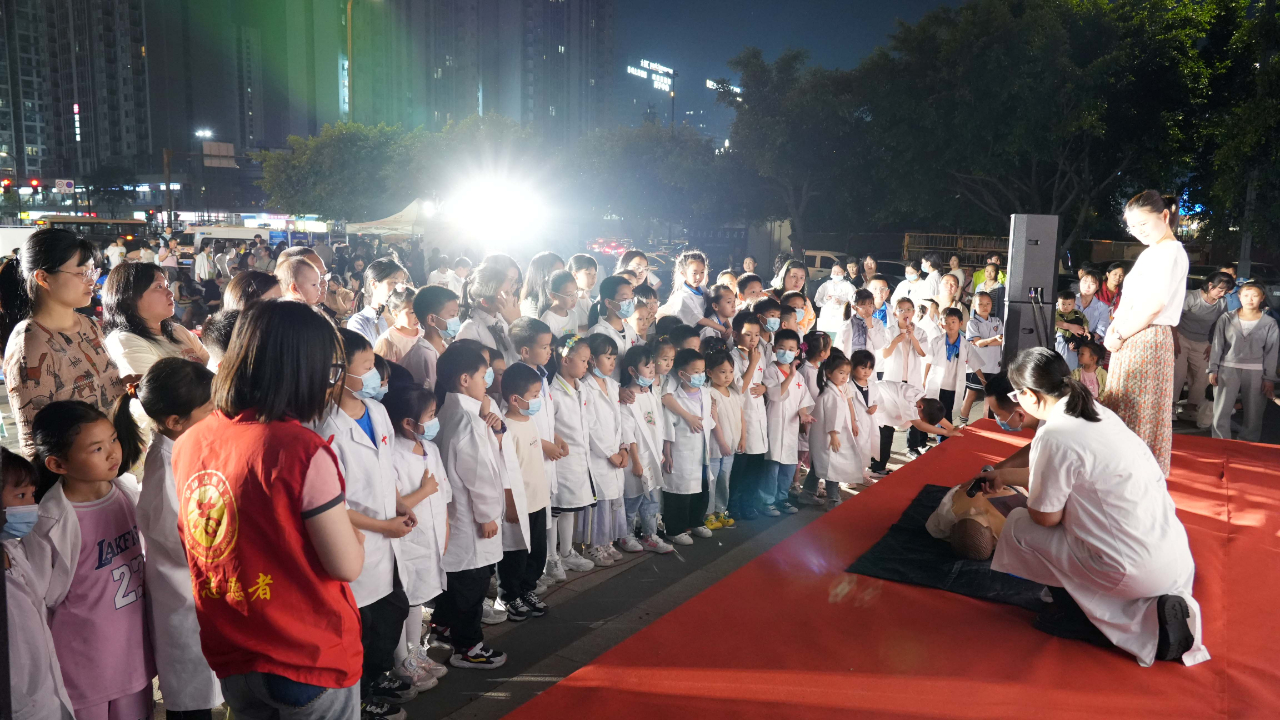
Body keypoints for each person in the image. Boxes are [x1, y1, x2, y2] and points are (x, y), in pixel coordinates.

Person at [171, 300, 366, 717]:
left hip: (233, 648)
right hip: (304, 654)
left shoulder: (191, 441)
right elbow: (346, 564)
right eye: (329, 370)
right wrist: (357, 536)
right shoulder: (300, 450)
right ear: (303, 372)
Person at [980, 347, 1208, 667]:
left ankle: (1077, 618)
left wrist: (1021, 492)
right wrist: (1007, 475)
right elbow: (1065, 472)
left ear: (1028, 396)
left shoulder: (1054, 435)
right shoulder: (1094, 411)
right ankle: (1150, 617)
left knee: (1019, 524)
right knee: (1085, 529)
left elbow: (1045, 518)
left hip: (1128, 567)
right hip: (1173, 557)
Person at [24, 401, 154, 718]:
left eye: (113, 439)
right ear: (58, 464)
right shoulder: (49, 521)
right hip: (83, 662)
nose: (113, 453)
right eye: (97, 448)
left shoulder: (125, 491)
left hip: (132, 652)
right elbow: (36, 599)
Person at [112, 358, 221, 719]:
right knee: (192, 702)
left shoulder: (187, 446)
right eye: (209, 408)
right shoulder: (164, 469)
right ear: (175, 421)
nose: (218, 414)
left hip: (203, 595)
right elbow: (183, 545)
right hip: (185, 601)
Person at [3, 228, 125, 459]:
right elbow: (36, 443)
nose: (92, 281)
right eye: (82, 273)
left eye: (93, 271)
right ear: (43, 278)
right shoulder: (31, 343)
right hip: (79, 474)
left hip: (113, 462)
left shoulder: (89, 325)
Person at [431, 343, 510, 669]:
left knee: (459, 579)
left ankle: (442, 626)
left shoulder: (450, 412)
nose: (487, 382)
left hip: (458, 515)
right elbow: (479, 475)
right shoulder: (467, 420)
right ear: (465, 379)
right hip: (471, 517)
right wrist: (488, 515)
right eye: (483, 375)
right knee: (472, 584)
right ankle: (467, 647)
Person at [1101, 191, 1189, 475]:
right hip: (1134, 334)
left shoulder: (1169, 251)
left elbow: (1155, 305)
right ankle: (1124, 472)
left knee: (1137, 410)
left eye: (1143, 224)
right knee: (1125, 404)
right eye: (1132, 226)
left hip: (1145, 336)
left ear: (1164, 216)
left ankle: (1135, 475)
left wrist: (1120, 334)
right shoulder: (1155, 251)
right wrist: (1116, 328)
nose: (1138, 231)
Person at [381, 386, 450, 687]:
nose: (435, 421)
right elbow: (392, 505)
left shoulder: (430, 449)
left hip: (430, 539)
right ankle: (401, 660)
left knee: (417, 600)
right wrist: (424, 490)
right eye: (430, 415)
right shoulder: (392, 455)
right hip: (406, 542)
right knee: (403, 600)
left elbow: (443, 494)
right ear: (408, 422)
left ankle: (414, 651)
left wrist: (445, 532)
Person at [4, 443, 78, 719]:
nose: (30, 505)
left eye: (32, 495)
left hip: (43, 694)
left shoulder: (12, 548)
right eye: (20, 495)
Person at [102, 262, 210, 377]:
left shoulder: (178, 331)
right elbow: (159, 387)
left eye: (167, 286)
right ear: (129, 297)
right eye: (159, 287)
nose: (170, 293)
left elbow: (213, 367)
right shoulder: (125, 342)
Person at [1208, 282, 1278, 442]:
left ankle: (1247, 445)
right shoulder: (1227, 318)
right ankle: (1220, 443)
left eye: (1255, 296)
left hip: (1256, 372)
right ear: (1239, 297)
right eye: (1246, 295)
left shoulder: (1269, 323)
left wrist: (1269, 378)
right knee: (1221, 410)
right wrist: (1213, 369)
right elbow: (1217, 345)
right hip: (1227, 368)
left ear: (1262, 298)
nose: (1250, 299)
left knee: (1254, 413)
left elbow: (1272, 352)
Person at [581, 334, 629, 564]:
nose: (612, 363)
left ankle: (607, 542)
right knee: (599, 502)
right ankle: (593, 546)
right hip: (598, 456)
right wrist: (609, 453)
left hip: (616, 452)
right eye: (607, 357)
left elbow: (620, 420)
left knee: (613, 499)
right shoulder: (585, 387)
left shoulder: (612, 385)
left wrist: (623, 448)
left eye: (614, 358)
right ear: (592, 359)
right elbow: (590, 426)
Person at [660, 348, 716, 543]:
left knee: (701, 489)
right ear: (682, 374)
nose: (701, 375)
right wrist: (667, 454)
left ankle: (696, 522)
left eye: (702, 371)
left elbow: (709, 421)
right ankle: (674, 530)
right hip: (680, 453)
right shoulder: (675, 399)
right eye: (695, 372)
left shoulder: (706, 393)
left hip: (702, 452)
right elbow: (668, 429)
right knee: (679, 493)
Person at [761, 329, 813, 515]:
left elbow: (803, 400)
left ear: (797, 352)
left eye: (791, 349)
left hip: (791, 428)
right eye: (782, 348)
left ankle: (782, 499)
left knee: (789, 467)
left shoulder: (799, 377)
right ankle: (767, 502)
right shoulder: (770, 371)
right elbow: (775, 395)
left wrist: (804, 414)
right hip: (775, 425)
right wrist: (789, 375)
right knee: (772, 467)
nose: (786, 352)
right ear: (775, 349)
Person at [1173, 271, 1232, 424]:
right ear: (1210, 285)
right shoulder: (1191, 297)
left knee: (1202, 374)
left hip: (1203, 341)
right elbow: (1174, 319)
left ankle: (1192, 407)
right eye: (1220, 289)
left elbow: (1220, 325)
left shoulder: (1222, 303)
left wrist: (1212, 344)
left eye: (1225, 291)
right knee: (1178, 373)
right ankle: (1170, 406)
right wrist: (1174, 340)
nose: (1222, 294)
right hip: (1181, 337)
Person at [808, 351, 860, 506]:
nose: (845, 377)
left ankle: (807, 494)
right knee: (832, 468)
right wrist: (834, 435)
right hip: (830, 436)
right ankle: (833, 500)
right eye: (841, 373)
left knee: (819, 466)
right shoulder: (831, 393)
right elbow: (833, 417)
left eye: (847, 374)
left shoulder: (835, 390)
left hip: (827, 436)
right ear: (829, 373)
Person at [704, 349, 743, 528]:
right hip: (715, 447)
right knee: (711, 480)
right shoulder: (709, 393)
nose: (728, 376)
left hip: (730, 447)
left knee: (724, 479)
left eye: (730, 371)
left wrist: (743, 438)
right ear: (709, 372)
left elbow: (742, 417)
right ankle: (708, 513)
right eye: (722, 371)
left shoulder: (734, 393)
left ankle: (721, 510)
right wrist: (721, 443)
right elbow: (713, 422)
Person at [457, 260, 518, 366]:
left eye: (510, 292)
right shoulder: (469, 331)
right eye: (506, 293)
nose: (511, 297)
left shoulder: (502, 319)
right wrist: (516, 323)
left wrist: (516, 323)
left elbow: (521, 356)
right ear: (485, 302)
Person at [961, 291, 1004, 423]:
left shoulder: (997, 321)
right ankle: (963, 422)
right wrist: (992, 340)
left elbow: (1002, 341)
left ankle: (995, 423)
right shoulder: (972, 323)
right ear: (974, 306)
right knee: (971, 395)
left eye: (988, 303)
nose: (985, 307)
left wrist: (985, 342)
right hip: (977, 366)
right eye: (980, 304)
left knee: (993, 395)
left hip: (994, 365)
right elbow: (978, 343)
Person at [348, 258, 410, 346]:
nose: (400, 289)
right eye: (394, 282)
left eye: (403, 283)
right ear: (374, 284)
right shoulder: (359, 322)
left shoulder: (407, 316)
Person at [587, 275, 640, 377]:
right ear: (608, 302)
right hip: (606, 384)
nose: (629, 303)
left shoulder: (629, 330)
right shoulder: (597, 332)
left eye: (631, 299)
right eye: (625, 299)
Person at [373, 288, 423, 365]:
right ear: (395, 314)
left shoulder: (424, 335)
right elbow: (386, 370)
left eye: (419, 310)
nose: (417, 316)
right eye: (412, 312)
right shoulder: (388, 340)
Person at [770, 259, 816, 335]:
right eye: (794, 276)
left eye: (802, 278)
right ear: (784, 276)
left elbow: (812, 319)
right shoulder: (769, 297)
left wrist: (803, 332)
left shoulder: (805, 301)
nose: (798, 281)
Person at [519, 251, 564, 319]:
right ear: (542, 275)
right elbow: (536, 324)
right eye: (557, 273)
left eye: (563, 272)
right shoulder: (531, 305)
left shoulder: (555, 298)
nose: (562, 277)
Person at [815, 262, 855, 335]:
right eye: (834, 271)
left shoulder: (849, 286)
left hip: (841, 319)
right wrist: (825, 299)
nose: (836, 274)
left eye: (839, 272)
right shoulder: (825, 285)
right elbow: (817, 303)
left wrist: (842, 302)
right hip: (826, 319)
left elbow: (854, 304)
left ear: (844, 273)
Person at [1054, 291, 1090, 370]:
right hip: (1063, 339)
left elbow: (1085, 321)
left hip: (1077, 338)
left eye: (1069, 304)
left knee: (1077, 363)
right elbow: (1056, 324)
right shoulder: (1056, 314)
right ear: (1058, 304)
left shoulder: (1077, 313)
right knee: (1065, 362)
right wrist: (1070, 328)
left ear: (1074, 304)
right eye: (1063, 304)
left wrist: (1086, 331)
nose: (1066, 306)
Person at [539, 269, 579, 338]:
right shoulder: (547, 320)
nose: (574, 298)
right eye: (569, 295)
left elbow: (576, 339)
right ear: (553, 296)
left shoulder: (573, 315)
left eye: (576, 292)